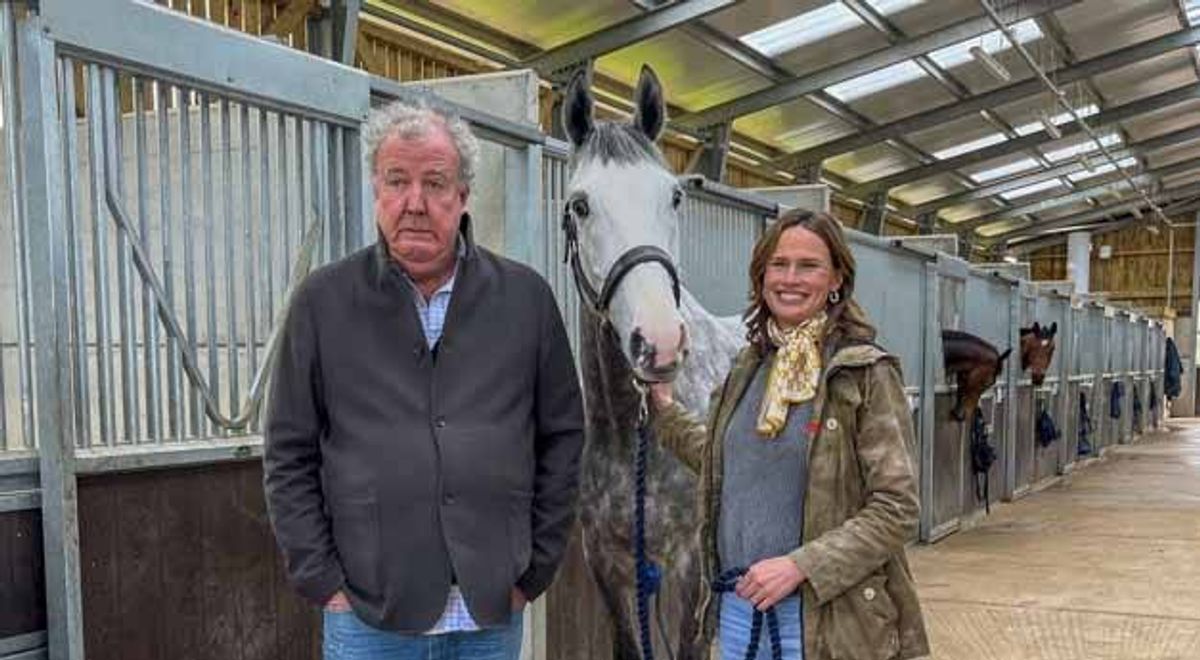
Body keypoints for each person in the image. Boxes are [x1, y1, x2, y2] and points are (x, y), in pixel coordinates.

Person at [264, 94, 585, 660]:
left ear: (463, 196)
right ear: (375, 191)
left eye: (435, 184)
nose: (415, 203)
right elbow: (289, 451)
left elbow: (562, 436)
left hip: (489, 607)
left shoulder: (525, 299)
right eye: (396, 181)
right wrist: (322, 579)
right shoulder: (323, 302)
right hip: (369, 612)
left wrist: (533, 569)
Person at [648, 209, 930, 660]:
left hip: (826, 623)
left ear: (837, 277)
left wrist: (801, 565)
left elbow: (897, 508)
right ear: (761, 276)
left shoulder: (863, 373)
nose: (790, 278)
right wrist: (664, 411)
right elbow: (726, 463)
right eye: (778, 264)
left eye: (809, 265)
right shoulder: (750, 367)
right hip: (739, 611)